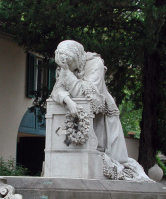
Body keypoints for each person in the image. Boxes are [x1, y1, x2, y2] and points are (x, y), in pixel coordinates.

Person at [51, 40, 151, 181]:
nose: (68, 69)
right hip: (82, 114)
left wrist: (67, 72)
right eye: (64, 66)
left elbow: (87, 94)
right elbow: (56, 91)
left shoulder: (94, 63)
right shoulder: (65, 67)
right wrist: (68, 101)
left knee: (115, 159)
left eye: (70, 65)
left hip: (102, 117)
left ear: (77, 57)